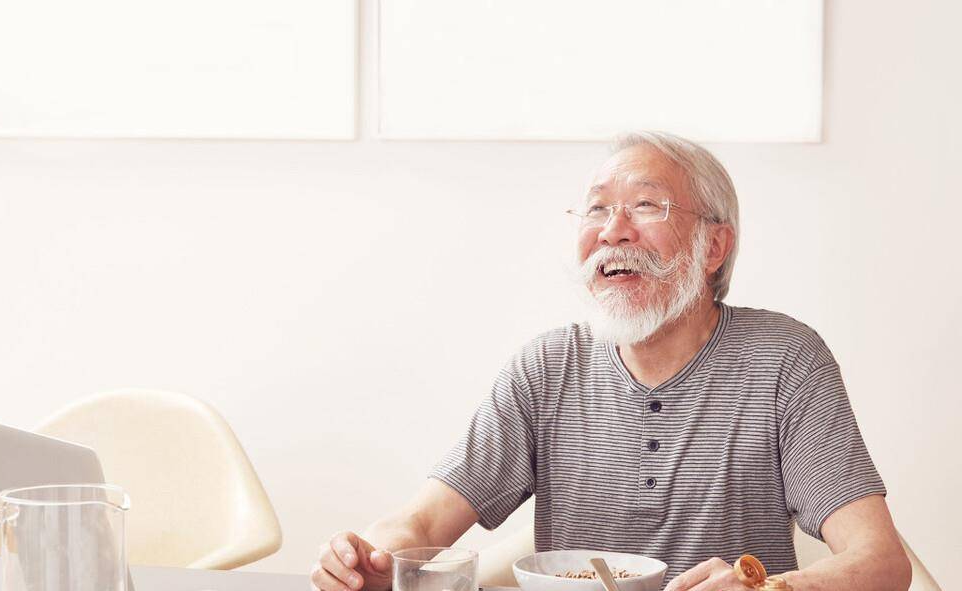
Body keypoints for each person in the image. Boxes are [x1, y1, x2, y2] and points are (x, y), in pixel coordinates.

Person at [310, 131, 912, 591]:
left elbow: (881, 562)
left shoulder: (784, 358)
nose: (612, 232)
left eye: (646, 206)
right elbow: (419, 525)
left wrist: (764, 587)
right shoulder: (547, 366)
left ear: (714, 246)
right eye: (596, 210)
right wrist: (367, 558)